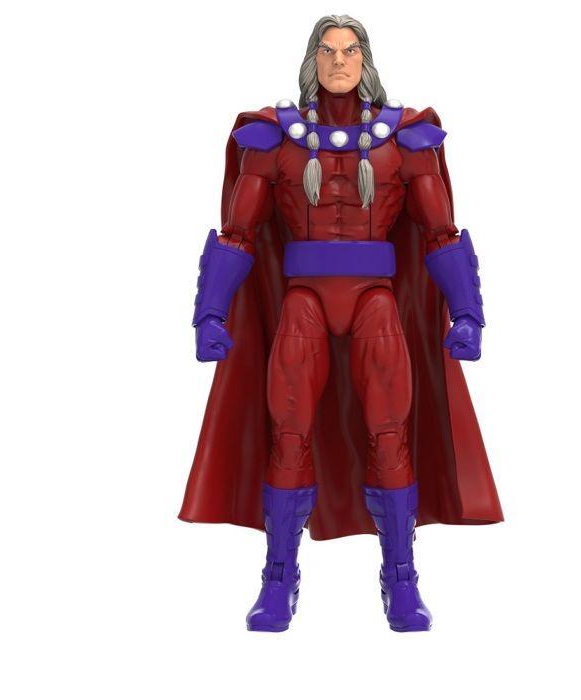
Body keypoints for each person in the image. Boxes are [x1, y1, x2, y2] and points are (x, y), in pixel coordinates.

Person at [180, 13, 503, 633]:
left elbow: (440, 234)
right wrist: (210, 313)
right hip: (303, 299)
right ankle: (279, 578)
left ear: (365, 60)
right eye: (327, 50)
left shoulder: (405, 138)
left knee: (390, 432)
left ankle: (401, 577)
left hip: (374, 301)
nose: (338, 61)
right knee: (289, 432)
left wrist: (467, 313)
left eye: (349, 51)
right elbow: (238, 233)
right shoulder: (272, 137)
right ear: (313, 59)